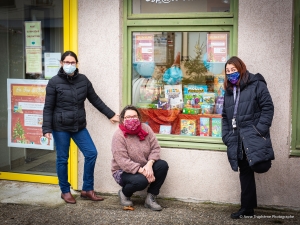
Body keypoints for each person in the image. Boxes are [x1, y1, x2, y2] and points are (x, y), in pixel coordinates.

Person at [42, 51, 119, 204]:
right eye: (67, 62)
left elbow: (95, 99)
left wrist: (110, 114)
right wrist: (47, 129)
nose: (69, 65)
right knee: (63, 159)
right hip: (60, 127)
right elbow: (48, 107)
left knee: (91, 153)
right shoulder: (54, 82)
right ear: (61, 63)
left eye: (72, 63)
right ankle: (65, 190)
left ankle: (87, 189)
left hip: (79, 126)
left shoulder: (83, 80)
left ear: (76, 64)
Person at [222, 56, 275, 219]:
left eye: (234, 70)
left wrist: (260, 130)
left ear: (241, 68)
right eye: (228, 71)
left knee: (260, 166)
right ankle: (247, 208)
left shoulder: (257, 85)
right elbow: (225, 116)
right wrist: (226, 135)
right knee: (244, 173)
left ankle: (248, 207)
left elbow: (268, 108)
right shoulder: (229, 92)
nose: (231, 73)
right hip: (237, 138)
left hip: (252, 135)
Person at [111, 105, 169, 211]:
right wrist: (143, 171)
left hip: (144, 165)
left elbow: (155, 148)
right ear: (123, 119)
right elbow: (123, 161)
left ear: (139, 117)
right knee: (141, 181)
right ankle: (124, 193)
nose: (131, 119)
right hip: (123, 171)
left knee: (162, 165)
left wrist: (149, 164)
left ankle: (150, 198)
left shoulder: (145, 128)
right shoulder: (118, 136)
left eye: (134, 116)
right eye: (128, 117)